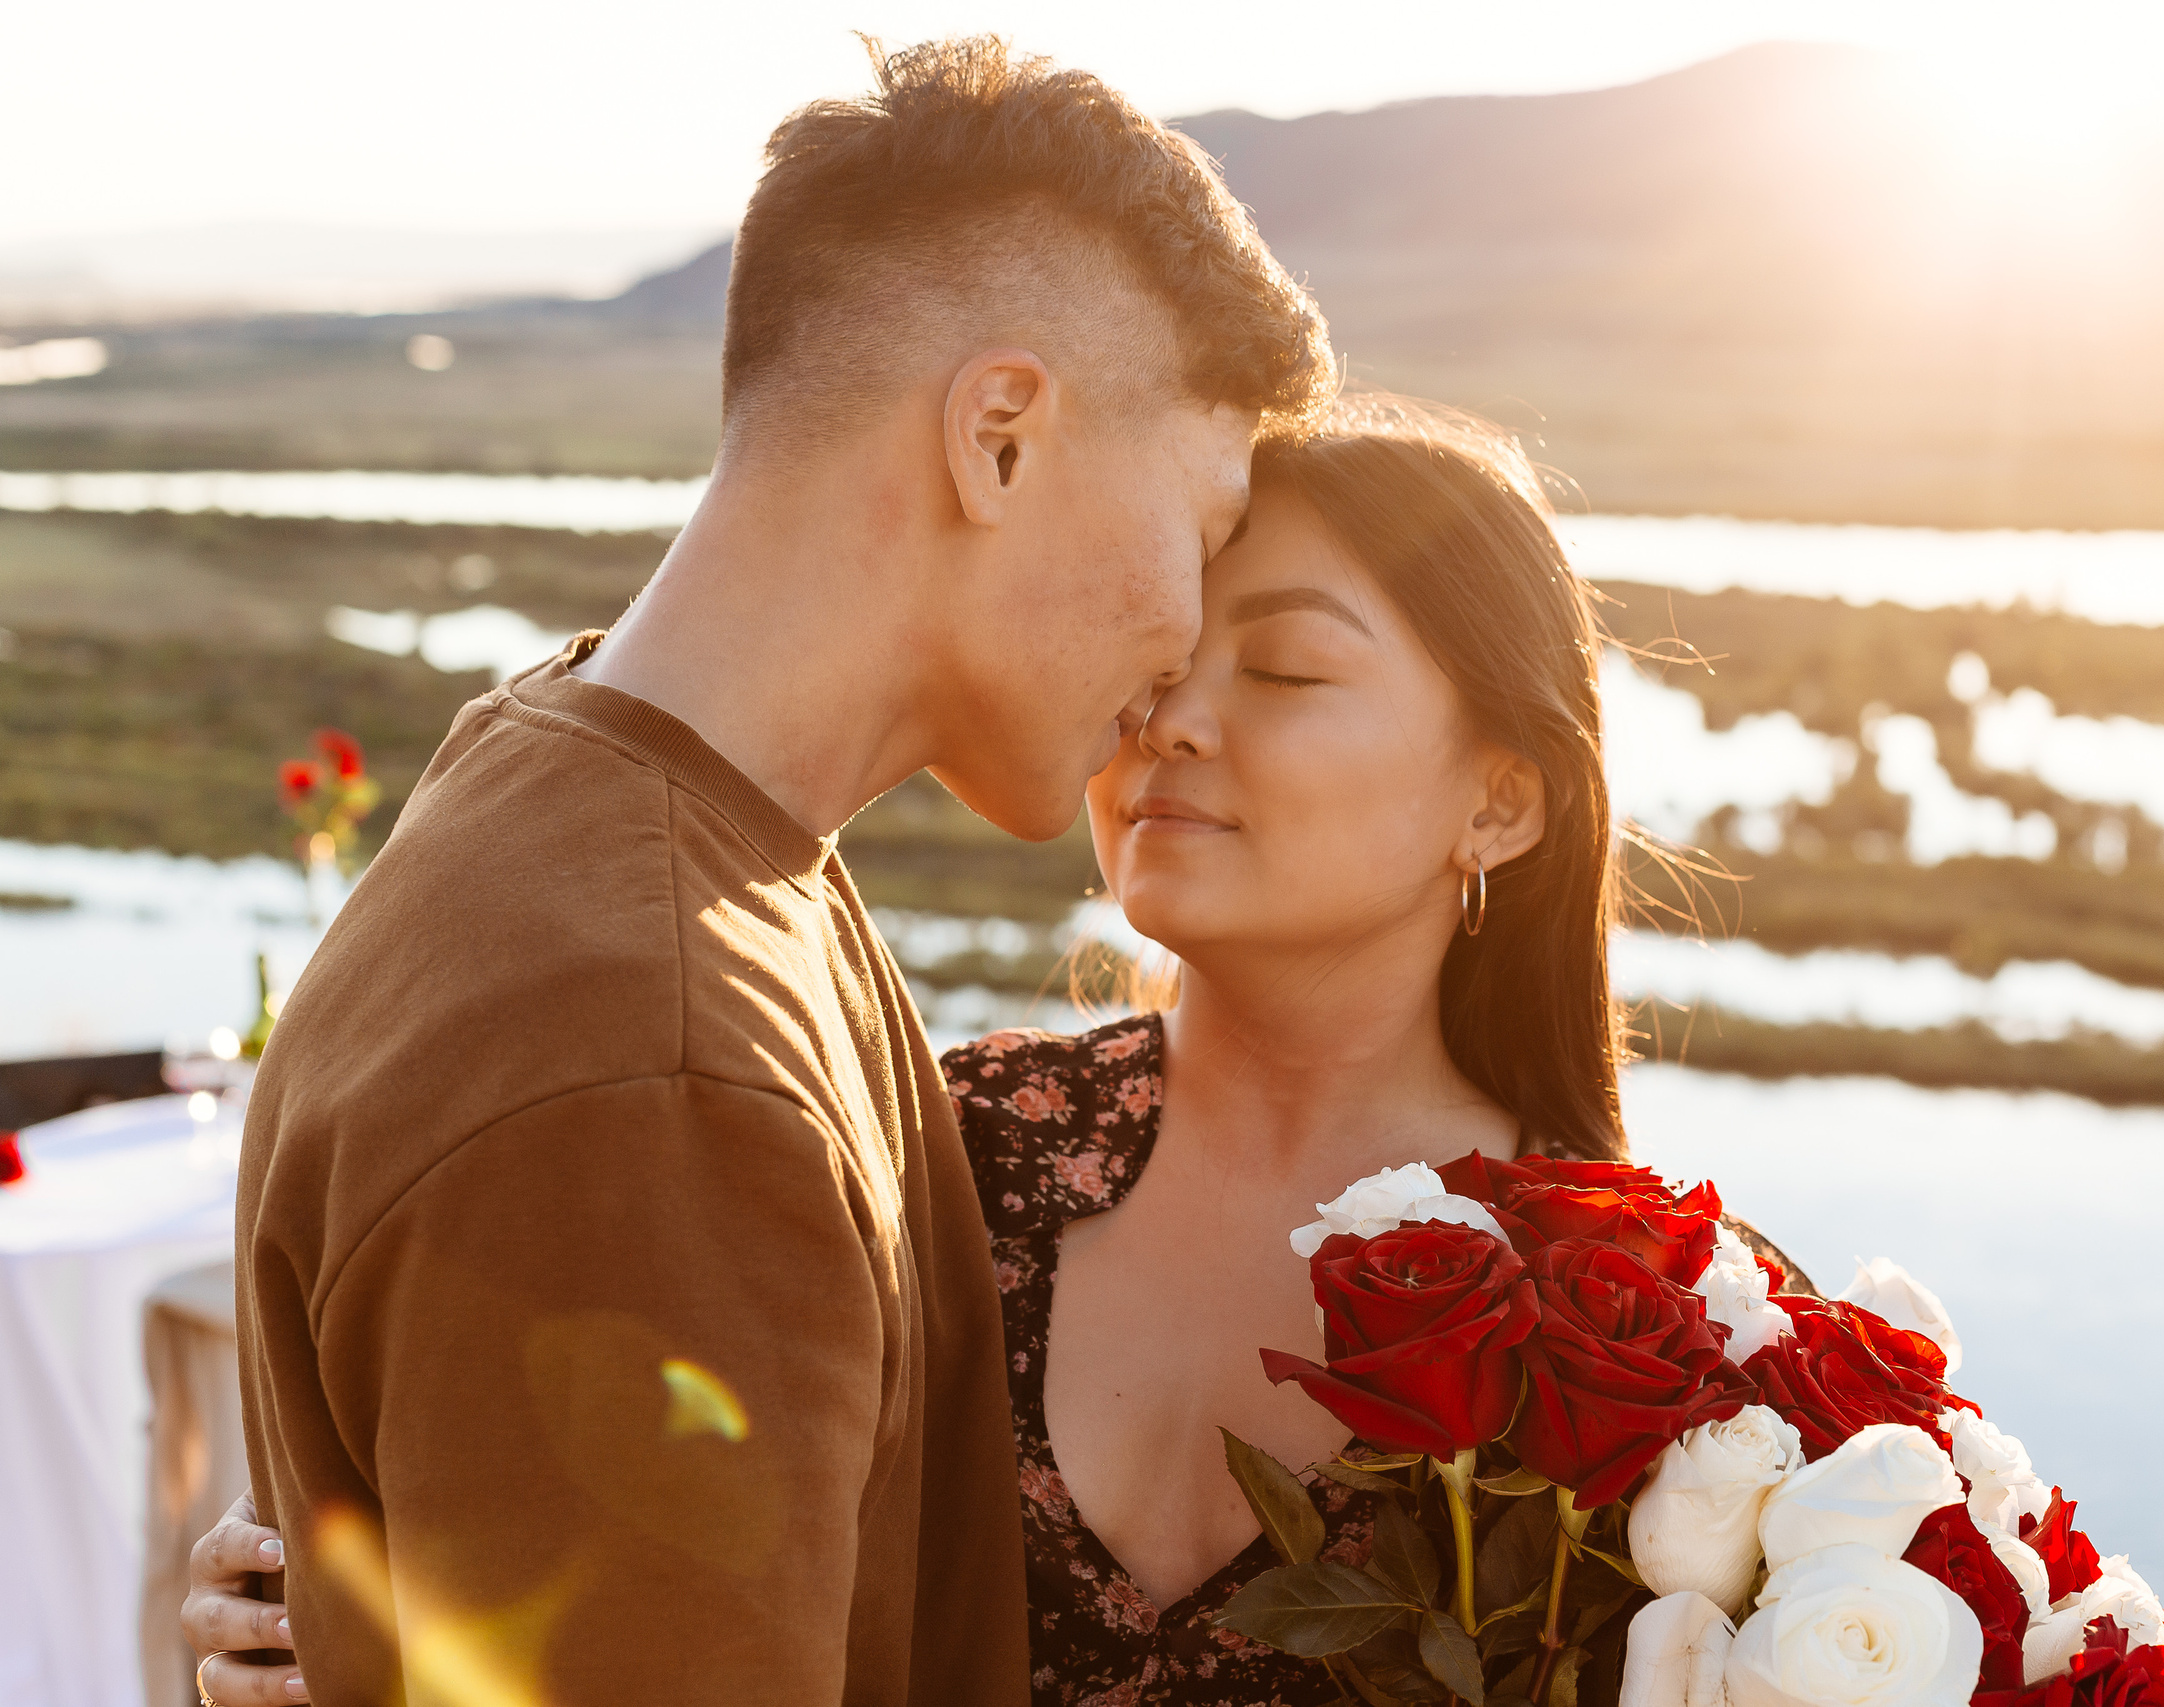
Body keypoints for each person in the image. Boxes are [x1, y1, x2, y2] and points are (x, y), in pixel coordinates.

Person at [194, 397, 1812, 1705]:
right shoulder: (934, 1154)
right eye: (1159, 663)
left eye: (1287, 668)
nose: (1172, 721)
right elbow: (601, 1564)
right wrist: (319, 1628)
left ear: (1503, 800)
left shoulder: (1668, 1338)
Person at [188, 34, 1331, 1707]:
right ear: (1000, 438)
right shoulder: (645, 1063)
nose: (1184, 651)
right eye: (1206, 532)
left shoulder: (612, 805)